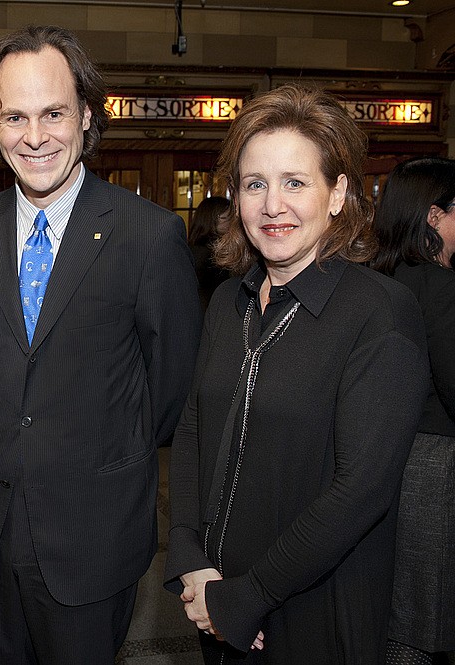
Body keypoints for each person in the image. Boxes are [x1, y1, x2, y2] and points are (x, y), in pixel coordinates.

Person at [0, 25, 201, 664]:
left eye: (53, 113)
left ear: (86, 115)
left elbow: (169, 388)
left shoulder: (148, 236)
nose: (35, 137)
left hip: (92, 533)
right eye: (15, 117)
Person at [164, 84, 431, 663]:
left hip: (314, 610)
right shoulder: (229, 302)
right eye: (255, 184)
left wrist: (250, 596)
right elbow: (191, 431)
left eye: (295, 183)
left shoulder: (379, 312)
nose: (272, 205)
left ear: (337, 195)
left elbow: (361, 491)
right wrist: (189, 555)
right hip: (215, 600)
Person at [370, 156, 455, 665]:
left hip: (391, 463)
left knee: (400, 613)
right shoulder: (439, 287)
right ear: (434, 216)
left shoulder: (383, 278)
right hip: (433, 470)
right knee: (422, 622)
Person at [188, 195, 231, 311]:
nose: (232, 222)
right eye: (226, 218)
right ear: (212, 220)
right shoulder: (208, 254)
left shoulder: (193, 248)